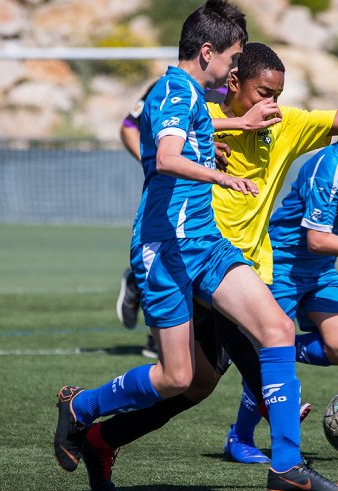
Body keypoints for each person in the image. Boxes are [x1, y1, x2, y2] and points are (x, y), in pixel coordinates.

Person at [69, 42, 338, 491]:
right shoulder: (199, 110)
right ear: (233, 82)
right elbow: (144, 127)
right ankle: (284, 461)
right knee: (253, 348)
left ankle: (99, 435)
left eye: (278, 93)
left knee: (192, 386)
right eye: (263, 93)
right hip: (199, 267)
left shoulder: (284, 125)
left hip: (243, 272)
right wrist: (207, 143)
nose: (271, 104)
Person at [224, 89, 338, 463]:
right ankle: (240, 437)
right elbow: (316, 241)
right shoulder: (326, 170)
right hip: (284, 269)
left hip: (320, 273)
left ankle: (273, 349)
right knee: (267, 357)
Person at [117, 79, 279, 359]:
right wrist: (159, 162)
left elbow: (197, 127)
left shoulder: (230, 90)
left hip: (210, 197)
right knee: (175, 253)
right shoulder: (171, 87)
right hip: (177, 188)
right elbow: (131, 127)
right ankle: (159, 333)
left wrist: (201, 148)